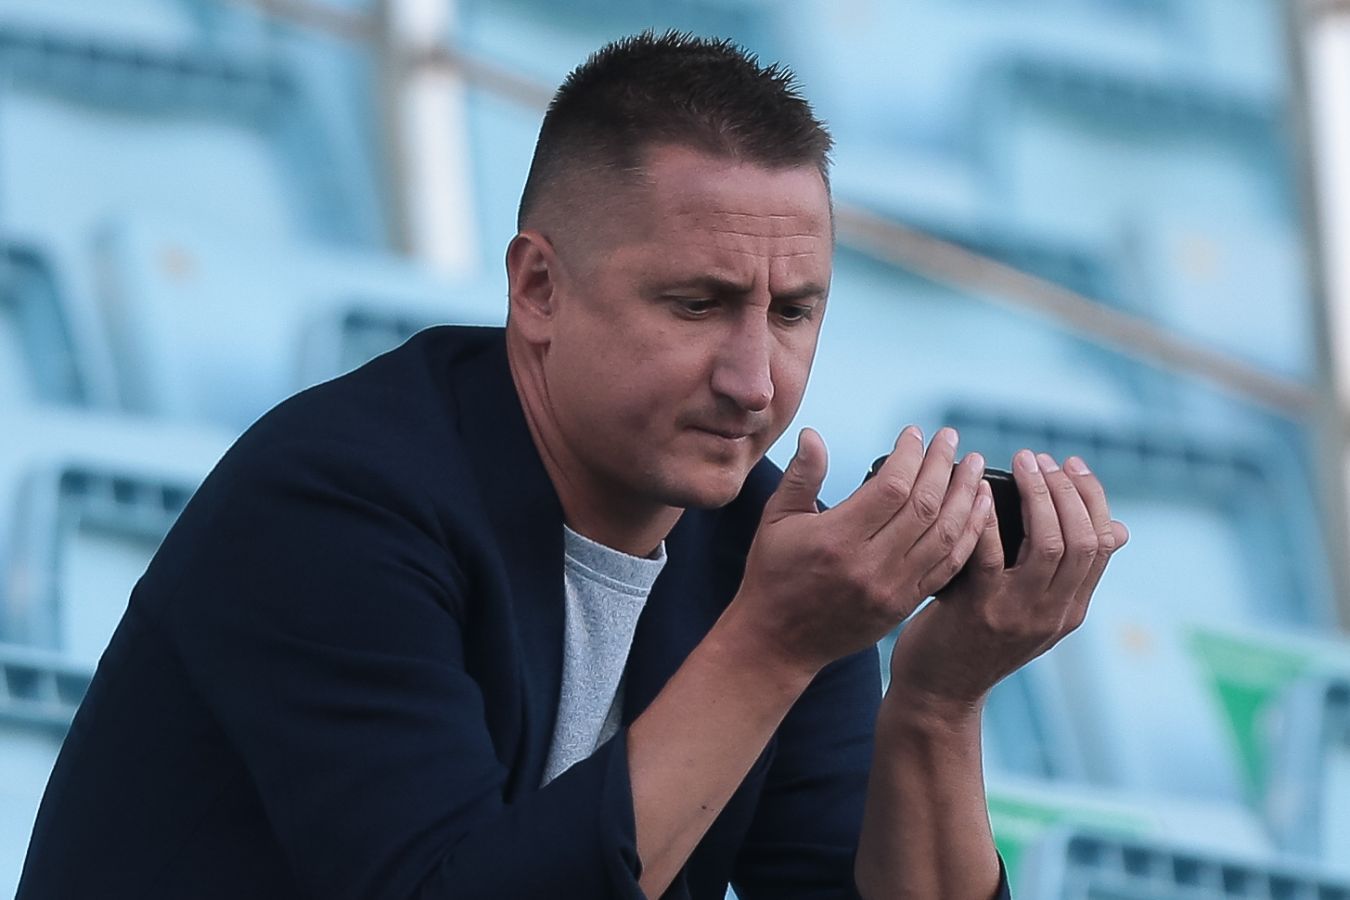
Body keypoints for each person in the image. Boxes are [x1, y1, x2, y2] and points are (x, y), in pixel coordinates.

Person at [18, 31, 1127, 899]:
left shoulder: (766, 558)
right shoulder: (335, 501)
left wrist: (937, 701)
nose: (754, 379)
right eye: (697, 304)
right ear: (538, 289)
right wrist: (773, 644)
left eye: (792, 312)